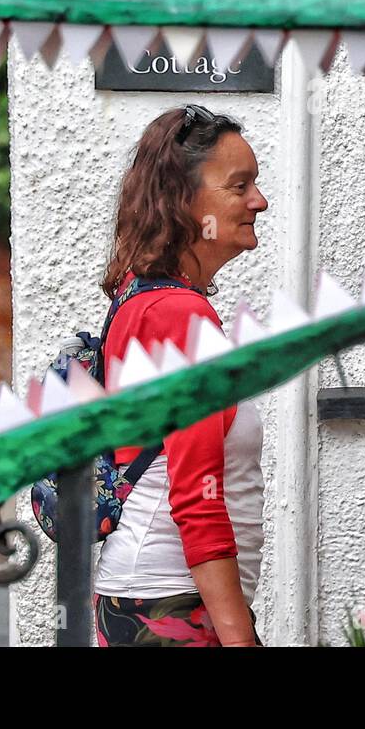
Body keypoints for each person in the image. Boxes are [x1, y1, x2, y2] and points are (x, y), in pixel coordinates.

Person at [92, 103, 269, 647]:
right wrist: (241, 639)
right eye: (239, 187)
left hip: (145, 596)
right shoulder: (179, 317)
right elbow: (196, 494)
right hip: (170, 607)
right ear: (183, 202)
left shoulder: (140, 301)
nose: (258, 202)